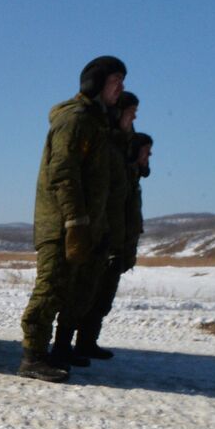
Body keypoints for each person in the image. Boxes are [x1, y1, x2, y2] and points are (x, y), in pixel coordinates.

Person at [18, 55, 126, 382]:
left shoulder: (98, 124)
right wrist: (74, 223)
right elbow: (63, 173)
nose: (120, 88)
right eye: (114, 81)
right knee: (50, 288)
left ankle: (60, 351)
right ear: (95, 84)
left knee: (73, 291)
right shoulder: (75, 121)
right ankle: (33, 357)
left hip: (84, 225)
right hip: (62, 224)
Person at [78, 128, 152, 358]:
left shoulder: (131, 178)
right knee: (91, 298)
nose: (148, 158)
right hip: (109, 246)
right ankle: (74, 345)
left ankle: (87, 342)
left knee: (102, 300)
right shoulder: (122, 177)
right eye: (146, 153)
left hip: (119, 246)